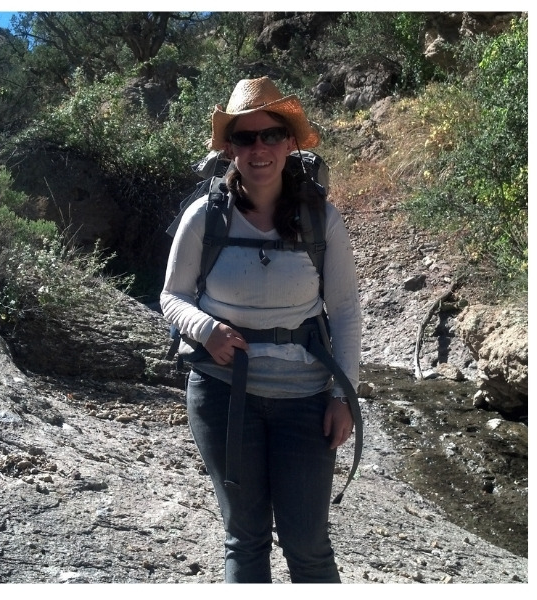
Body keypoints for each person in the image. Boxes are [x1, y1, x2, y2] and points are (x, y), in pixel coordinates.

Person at [160, 77, 359, 583]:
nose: (259, 148)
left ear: (290, 142)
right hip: (224, 395)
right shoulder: (204, 217)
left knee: (308, 544)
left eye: (270, 135)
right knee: (245, 540)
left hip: (308, 401)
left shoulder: (323, 220)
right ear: (230, 148)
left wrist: (344, 396)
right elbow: (171, 297)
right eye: (245, 138)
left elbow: (345, 311)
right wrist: (206, 330)